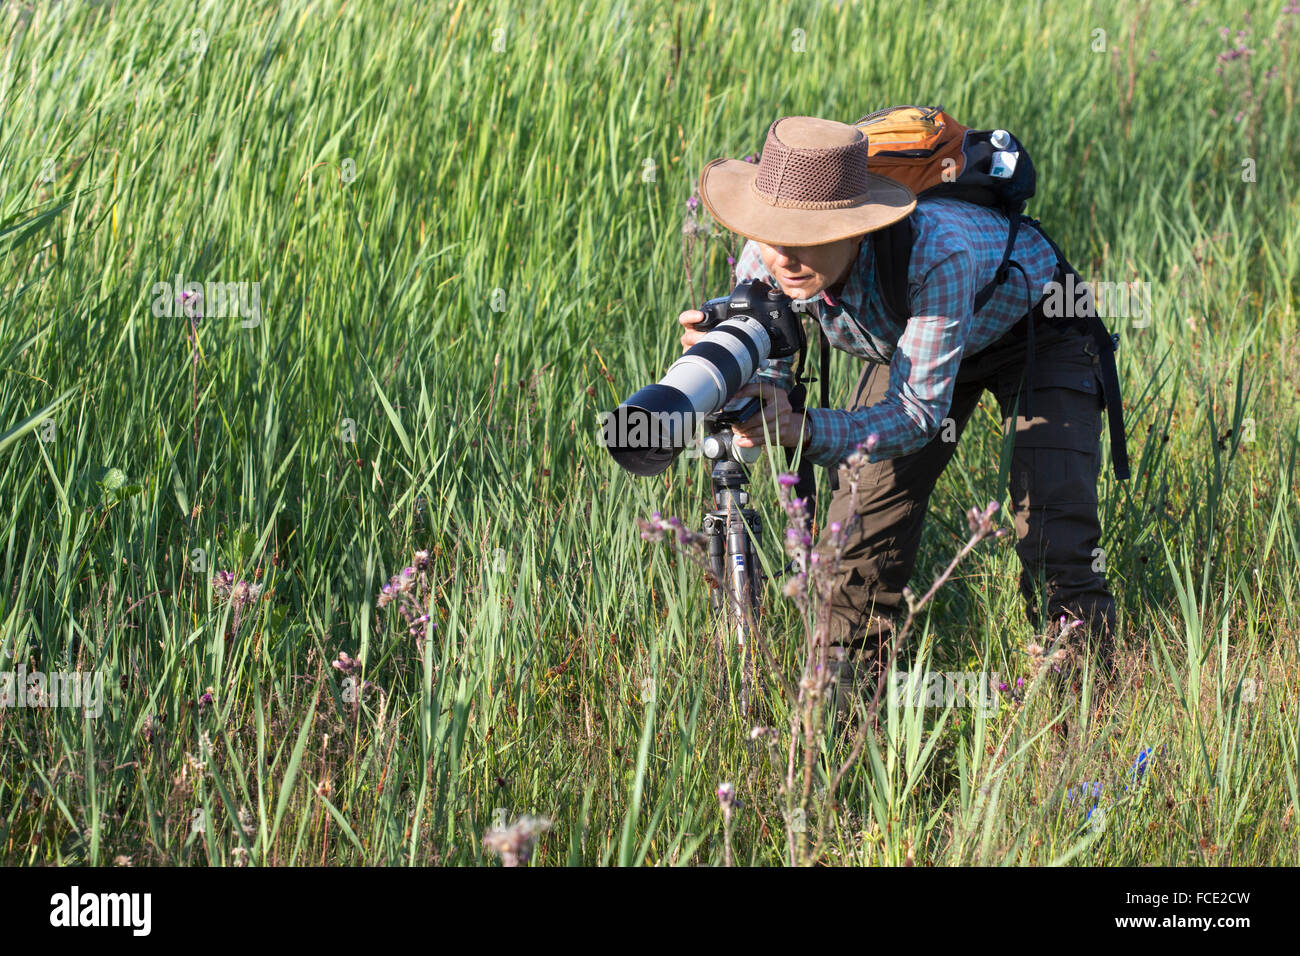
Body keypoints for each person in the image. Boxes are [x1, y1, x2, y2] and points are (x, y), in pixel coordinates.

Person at [677, 115, 1119, 703]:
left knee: (1054, 536)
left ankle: (1082, 717)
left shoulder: (937, 254)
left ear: (857, 228)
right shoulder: (767, 261)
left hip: (1037, 330)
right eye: (770, 232)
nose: (782, 257)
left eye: (806, 235)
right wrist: (733, 379)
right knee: (857, 536)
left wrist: (803, 429)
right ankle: (842, 725)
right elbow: (771, 378)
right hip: (913, 339)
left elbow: (915, 415)